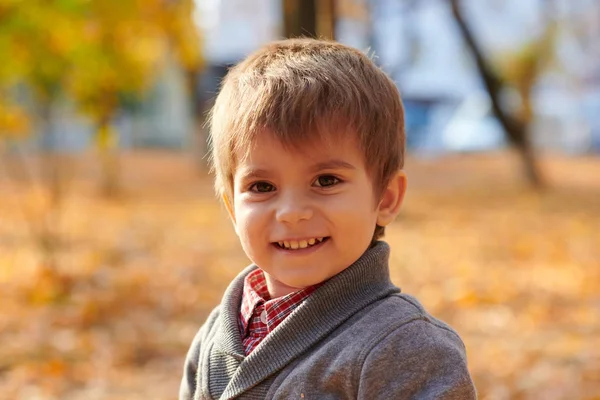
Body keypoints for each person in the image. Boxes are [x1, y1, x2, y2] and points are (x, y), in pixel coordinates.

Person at [180, 38, 477, 400]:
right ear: (231, 209)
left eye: (325, 181)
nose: (291, 212)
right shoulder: (216, 334)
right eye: (261, 186)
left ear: (385, 198)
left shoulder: (407, 347)